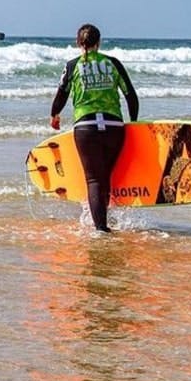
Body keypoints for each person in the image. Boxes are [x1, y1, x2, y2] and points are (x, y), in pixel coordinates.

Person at [49, 23, 139, 232]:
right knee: (106, 176)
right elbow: (131, 96)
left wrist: (55, 115)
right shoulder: (113, 63)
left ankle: (100, 229)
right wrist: (133, 123)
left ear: (78, 43)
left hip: (86, 127)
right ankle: (103, 221)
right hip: (114, 127)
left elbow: (61, 95)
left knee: (94, 179)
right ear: (99, 42)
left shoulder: (72, 66)